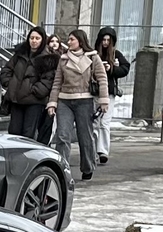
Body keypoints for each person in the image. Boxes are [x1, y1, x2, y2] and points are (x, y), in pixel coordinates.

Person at [47, 28, 109, 182]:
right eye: (68, 39)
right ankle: (62, 170)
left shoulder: (93, 57)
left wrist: (104, 100)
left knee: (85, 136)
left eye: (72, 39)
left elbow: (102, 79)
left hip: (85, 101)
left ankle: (88, 167)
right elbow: (57, 82)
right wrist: (52, 103)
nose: (68, 42)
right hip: (64, 100)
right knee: (62, 136)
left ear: (80, 41)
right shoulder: (63, 58)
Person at [1, 27, 56, 140]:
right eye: (32, 38)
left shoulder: (47, 58)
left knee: (28, 133)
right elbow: (7, 70)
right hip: (16, 100)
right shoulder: (20, 54)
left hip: (34, 101)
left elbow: (47, 80)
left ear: (42, 40)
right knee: (14, 132)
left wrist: (32, 90)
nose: (34, 41)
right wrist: (10, 84)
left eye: (37, 38)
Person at [93, 27, 131, 164]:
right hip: (94, 91)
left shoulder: (116, 54)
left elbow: (125, 68)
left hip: (109, 92)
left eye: (108, 40)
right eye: (103, 40)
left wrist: (112, 68)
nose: (105, 43)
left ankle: (102, 151)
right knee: (94, 122)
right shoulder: (94, 54)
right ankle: (93, 150)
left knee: (104, 122)